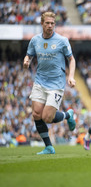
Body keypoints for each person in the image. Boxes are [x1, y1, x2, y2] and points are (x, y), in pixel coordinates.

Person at [23, 11, 76, 155]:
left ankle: (68, 115)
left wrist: (70, 76)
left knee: (47, 117)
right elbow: (30, 54)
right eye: (47, 23)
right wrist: (26, 60)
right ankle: (49, 147)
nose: (50, 26)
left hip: (56, 83)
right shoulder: (35, 40)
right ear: (42, 24)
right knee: (36, 114)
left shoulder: (62, 40)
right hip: (40, 80)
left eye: (52, 23)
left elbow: (71, 59)